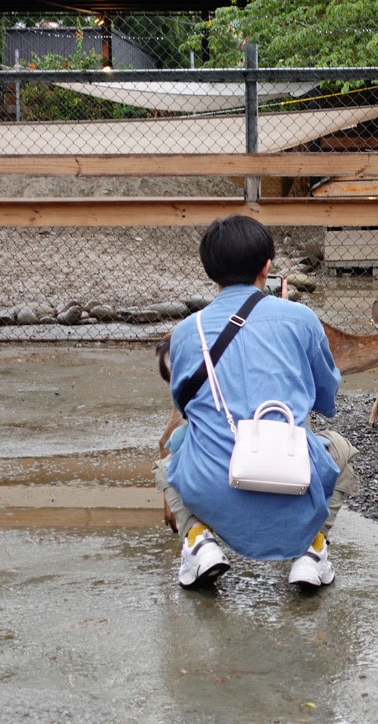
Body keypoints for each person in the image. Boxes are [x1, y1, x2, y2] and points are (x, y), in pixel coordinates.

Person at [152, 215, 358, 590]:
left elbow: (186, 408)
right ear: (267, 267)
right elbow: (326, 399)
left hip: (212, 491)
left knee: (170, 456)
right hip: (292, 483)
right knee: (341, 450)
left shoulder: (187, 331)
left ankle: (199, 542)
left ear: (210, 272)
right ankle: (311, 552)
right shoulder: (301, 318)